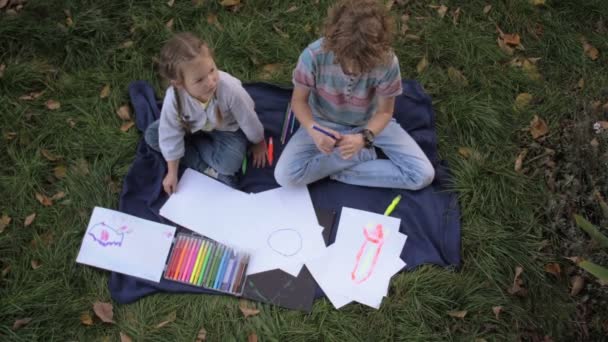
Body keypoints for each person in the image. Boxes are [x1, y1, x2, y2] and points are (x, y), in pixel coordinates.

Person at [274, 0, 435, 190]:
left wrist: (364, 138)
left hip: (370, 123)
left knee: (423, 175)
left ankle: (324, 171)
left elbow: (384, 113)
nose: (352, 69)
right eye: (346, 60)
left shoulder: (388, 62)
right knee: (284, 176)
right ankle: (362, 156)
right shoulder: (313, 56)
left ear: (378, 50)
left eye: (363, 64)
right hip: (324, 121)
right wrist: (312, 128)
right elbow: (299, 101)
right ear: (333, 41)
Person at [145, 32, 267, 195]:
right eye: (199, 80)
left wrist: (258, 141)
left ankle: (195, 149)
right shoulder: (174, 98)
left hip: (226, 130)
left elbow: (248, 118)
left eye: (212, 70)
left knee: (229, 164)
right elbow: (169, 133)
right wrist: (172, 173)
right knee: (153, 136)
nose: (211, 81)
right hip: (190, 126)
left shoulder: (230, 89)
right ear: (179, 84)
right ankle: (209, 170)